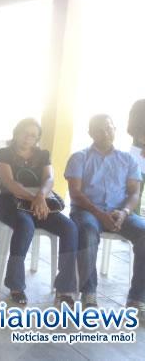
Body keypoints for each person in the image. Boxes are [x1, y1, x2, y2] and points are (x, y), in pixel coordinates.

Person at [65, 114, 145, 316]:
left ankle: (137, 299)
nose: (106, 132)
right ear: (91, 133)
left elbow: (134, 192)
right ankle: (89, 292)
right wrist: (100, 214)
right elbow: (75, 193)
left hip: (120, 212)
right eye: (100, 129)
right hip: (87, 211)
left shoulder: (127, 159)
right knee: (89, 231)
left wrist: (125, 212)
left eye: (109, 127)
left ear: (115, 130)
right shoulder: (80, 157)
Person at [0, 118, 77, 306]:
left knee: (70, 228)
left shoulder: (42, 154)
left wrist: (41, 196)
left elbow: (49, 178)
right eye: (25, 133)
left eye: (33, 135)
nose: (28, 138)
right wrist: (36, 200)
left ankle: (64, 288)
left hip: (39, 202)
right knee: (25, 225)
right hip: (11, 202)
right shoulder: (5, 153)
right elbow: (10, 184)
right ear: (16, 132)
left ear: (37, 139)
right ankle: (16, 285)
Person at [127, 99, 145, 216]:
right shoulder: (140, 105)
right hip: (140, 154)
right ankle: (133, 219)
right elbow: (131, 128)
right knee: (136, 189)